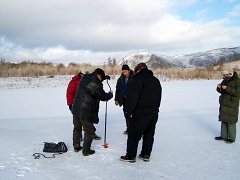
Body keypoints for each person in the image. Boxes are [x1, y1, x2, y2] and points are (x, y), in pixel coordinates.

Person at [120, 63, 162, 163]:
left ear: (138, 70)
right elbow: (159, 96)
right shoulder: (156, 80)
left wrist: (128, 111)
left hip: (141, 113)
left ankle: (130, 156)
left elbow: (132, 98)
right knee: (149, 135)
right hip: (154, 113)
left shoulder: (137, 80)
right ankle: (145, 154)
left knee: (134, 135)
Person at [71, 68, 113, 156]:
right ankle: (86, 150)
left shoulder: (85, 77)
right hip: (85, 110)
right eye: (102, 78)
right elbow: (103, 96)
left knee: (77, 128)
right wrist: (110, 94)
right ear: (99, 75)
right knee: (89, 131)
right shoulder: (96, 84)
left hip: (76, 108)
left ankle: (76, 146)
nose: (101, 81)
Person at [66, 71, 101, 152]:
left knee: (86, 124)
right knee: (79, 127)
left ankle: (91, 136)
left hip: (85, 107)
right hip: (77, 106)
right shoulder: (74, 82)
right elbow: (69, 93)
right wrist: (70, 104)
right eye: (83, 73)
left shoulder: (88, 80)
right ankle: (78, 146)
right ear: (80, 73)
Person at [215, 70, 240, 144]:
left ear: (231, 73)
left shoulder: (237, 80)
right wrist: (219, 88)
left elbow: (237, 93)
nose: (225, 75)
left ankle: (232, 138)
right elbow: (222, 91)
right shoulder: (225, 80)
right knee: (224, 120)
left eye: (227, 74)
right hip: (224, 103)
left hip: (232, 104)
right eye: (224, 74)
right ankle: (223, 136)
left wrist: (227, 88)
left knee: (231, 121)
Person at [115, 64, 134, 134]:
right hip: (124, 99)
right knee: (126, 114)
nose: (124, 73)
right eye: (123, 72)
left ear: (129, 70)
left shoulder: (134, 77)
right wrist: (116, 99)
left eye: (126, 71)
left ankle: (134, 129)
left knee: (132, 114)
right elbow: (117, 89)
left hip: (132, 99)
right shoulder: (120, 79)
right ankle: (128, 128)